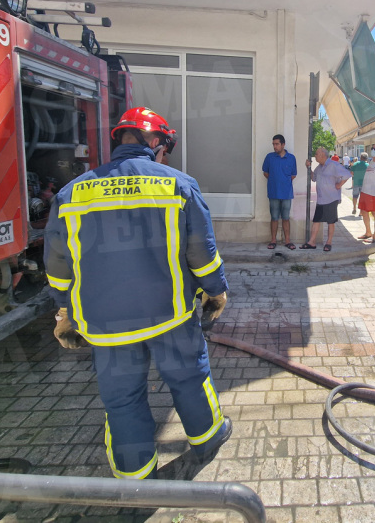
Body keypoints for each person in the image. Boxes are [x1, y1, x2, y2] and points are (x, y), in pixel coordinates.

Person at [45, 107, 231, 481]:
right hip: (170, 314)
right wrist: (215, 292)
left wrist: (65, 312)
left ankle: (136, 476)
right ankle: (207, 438)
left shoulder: (71, 194)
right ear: (155, 141)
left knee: (122, 398)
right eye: (166, 147)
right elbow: (202, 252)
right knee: (189, 378)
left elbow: (58, 265)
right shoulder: (178, 185)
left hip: (104, 323)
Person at [302, 146, 351, 251]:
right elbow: (314, 178)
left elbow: (347, 174)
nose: (315, 156)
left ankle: (328, 243)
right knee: (316, 220)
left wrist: (339, 185)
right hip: (321, 199)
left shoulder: (333, 165)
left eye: (316, 154)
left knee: (330, 221)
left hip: (331, 198)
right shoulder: (319, 167)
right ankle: (311, 242)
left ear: (323, 155)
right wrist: (308, 168)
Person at [262, 134, 297, 250]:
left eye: (277, 144)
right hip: (273, 192)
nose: (275, 146)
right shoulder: (269, 157)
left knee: (286, 217)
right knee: (274, 217)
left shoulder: (291, 158)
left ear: (283, 144)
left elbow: (293, 175)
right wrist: (275, 181)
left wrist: (283, 182)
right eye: (273, 144)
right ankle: (273, 240)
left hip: (286, 194)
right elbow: (265, 173)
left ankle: (288, 241)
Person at [357, 143, 375, 243]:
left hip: (373, 193)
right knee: (364, 212)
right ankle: (368, 232)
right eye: (372, 148)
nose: (373, 150)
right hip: (365, 191)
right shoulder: (372, 161)